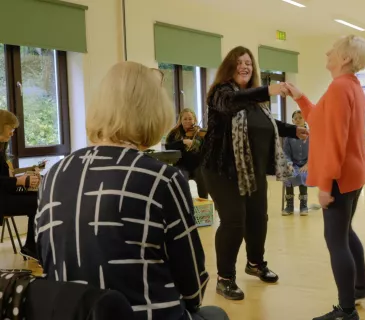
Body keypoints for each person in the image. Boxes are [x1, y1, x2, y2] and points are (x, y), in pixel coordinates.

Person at [35, 62, 228, 320]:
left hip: (71, 313)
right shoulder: (163, 179)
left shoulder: (53, 175)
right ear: (154, 111)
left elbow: (47, 260)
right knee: (215, 314)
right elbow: (193, 288)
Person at [200, 46, 308, 301]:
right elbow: (231, 104)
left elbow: (267, 124)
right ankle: (225, 278)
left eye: (248, 62)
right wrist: (267, 90)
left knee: (258, 218)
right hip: (222, 170)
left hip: (253, 170)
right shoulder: (221, 93)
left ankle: (255, 263)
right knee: (234, 221)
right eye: (239, 62)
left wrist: (294, 130)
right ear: (229, 67)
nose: (245, 67)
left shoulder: (255, 101)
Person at [284, 35, 365, 320]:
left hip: (340, 175)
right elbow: (319, 119)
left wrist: (325, 185)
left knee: (336, 239)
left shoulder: (339, 88)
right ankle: (360, 287)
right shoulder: (350, 86)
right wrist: (299, 96)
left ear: (345, 58)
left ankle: (346, 311)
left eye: (333, 49)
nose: (327, 51)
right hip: (353, 172)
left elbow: (336, 139)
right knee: (345, 232)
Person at [0, 109, 40, 260]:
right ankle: (32, 247)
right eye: (10, 128)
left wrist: (23, 179)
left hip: (5, 192)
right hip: (2, 198)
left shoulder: (1, 147)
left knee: (39, 195)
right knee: (37, 203)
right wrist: (18, 180)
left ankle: (32, 246)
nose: (12, 133)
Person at [166, 108, 208, 199]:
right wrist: (182, 142)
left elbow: (206, 148)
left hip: (197, 165)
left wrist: (199, 142)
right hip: (181, 165)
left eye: (190, 119)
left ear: (195, 120)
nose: (188, 121)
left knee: (203, 178)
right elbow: (168, 147)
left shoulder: (200, 132)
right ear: (180, 120)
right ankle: (185, 203)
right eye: (185, 119)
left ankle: (204, 204)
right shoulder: (174, 133)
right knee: (181, 180)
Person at [282, 110, 310, 215]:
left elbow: (315, 153)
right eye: (295, 118)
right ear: (293, 121)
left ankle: (303, 205)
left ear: (305, 120)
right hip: (293, 164)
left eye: (300, 117)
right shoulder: (289, 137)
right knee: (289, 174)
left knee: (303, 174)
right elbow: (285, 153)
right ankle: (289, 206)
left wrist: (308, 164)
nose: (298, 120)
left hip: (307, 164)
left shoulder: (310, 135)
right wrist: (289, 164)